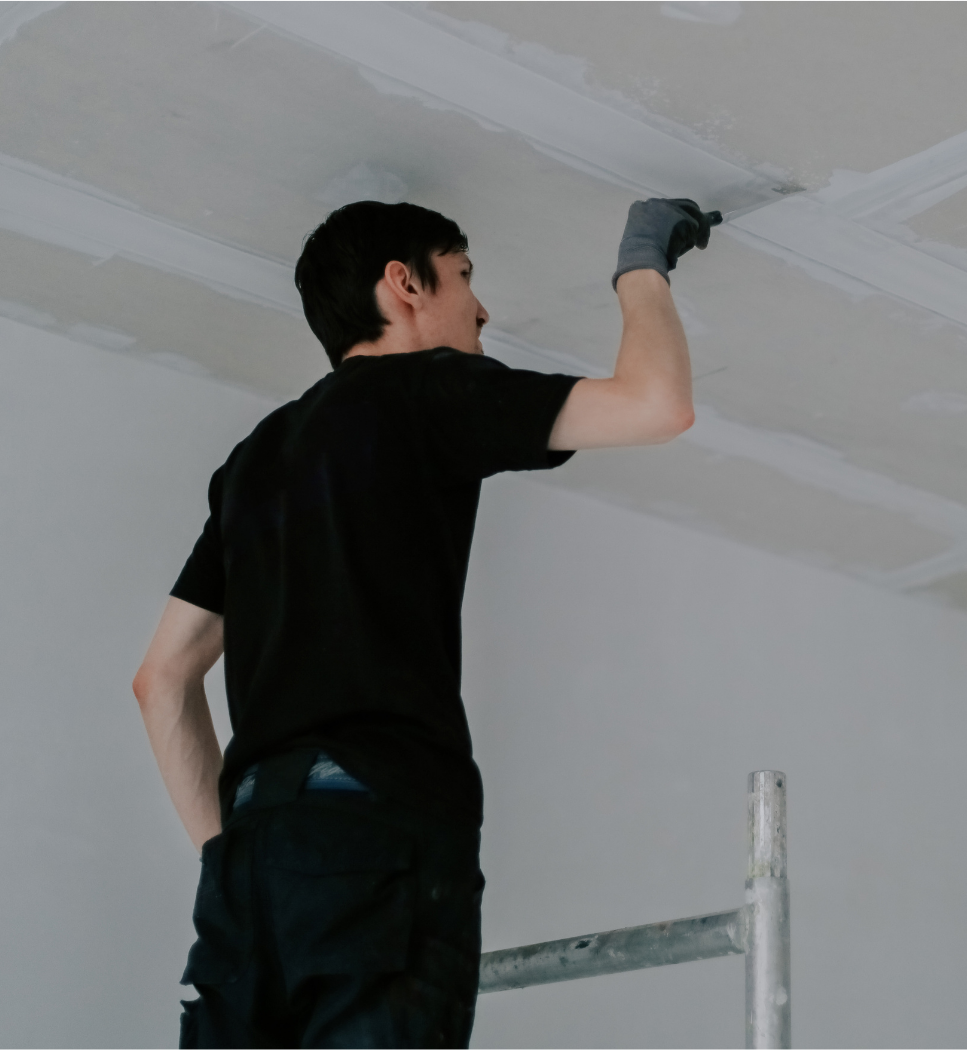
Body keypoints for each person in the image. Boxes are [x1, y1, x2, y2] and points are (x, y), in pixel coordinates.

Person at [130, 197, 720, 1048]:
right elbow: (657, 404)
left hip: (251, 865)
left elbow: (162, 681)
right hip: (376, 834)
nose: (482, 310)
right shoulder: (427, 388)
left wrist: (241, 861)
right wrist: (641, 259)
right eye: (467, 278)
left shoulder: (255, 458)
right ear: (404, 284)